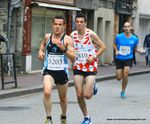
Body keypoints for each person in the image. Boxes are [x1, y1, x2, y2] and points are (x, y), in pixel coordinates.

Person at [38, 15, 75, 124]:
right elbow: (43, 45)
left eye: (60, 25)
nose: (57, 27)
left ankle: (63, 116)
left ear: (64, 26)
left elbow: (73, 57)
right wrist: (40, 51)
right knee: (47, 92)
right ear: (52, 25)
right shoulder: (47, 37)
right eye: (55, 24)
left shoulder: (67, 40)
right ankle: (49, 118)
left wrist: (64, 50)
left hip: (62, 73)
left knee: (62, 98)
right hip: (48, 71)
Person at [70, 13, 106, 124]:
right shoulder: (72, 35)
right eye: (77, 22)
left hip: (90, 67)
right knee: (79, 94)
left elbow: (103, 46)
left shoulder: (91, 34)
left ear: (85, 23)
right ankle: (87, 117)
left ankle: (93, 85)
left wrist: (94, 56)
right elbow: (72, 50)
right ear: (75, 23)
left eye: (82, 22)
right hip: (78, 66)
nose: (79, 24)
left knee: (87, 95)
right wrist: (72, 60)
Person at [113, 22, 139, 99]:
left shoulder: (135, 38)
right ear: (123, 28)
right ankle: (120, 76)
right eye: (125, 27)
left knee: (126, 74)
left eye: (128, 26)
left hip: (129, 58)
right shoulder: (119, 37)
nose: (127, 28)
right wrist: (116, 50)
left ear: (131, 27)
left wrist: (138, 50)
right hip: (119, 58)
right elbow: (114, 44)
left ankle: (123, 91)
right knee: (118, 77)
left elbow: (135, 48)